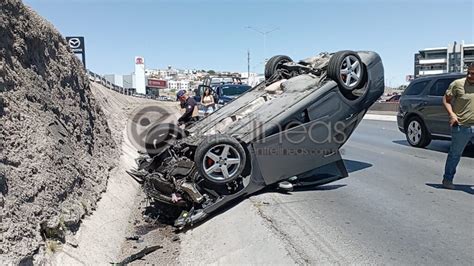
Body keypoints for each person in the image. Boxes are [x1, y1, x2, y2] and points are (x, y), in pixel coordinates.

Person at [441, 63, 474, 189]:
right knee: (455, 154)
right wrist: (452, 114)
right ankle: (447, 180)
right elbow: (446, 99)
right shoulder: (458, 84)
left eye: (473, 73)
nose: (470, 75)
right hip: (461, 125)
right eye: (468, 72)